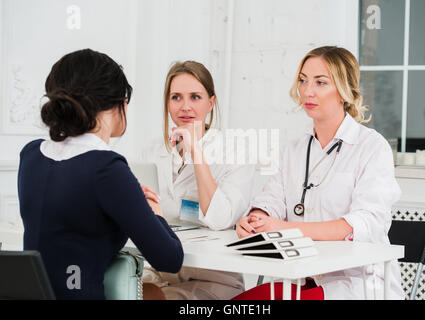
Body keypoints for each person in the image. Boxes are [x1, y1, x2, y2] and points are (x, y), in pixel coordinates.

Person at [233, 46, 404, 300]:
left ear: (344, 91)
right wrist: (257, 218)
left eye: (320, 82)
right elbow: (272, 199)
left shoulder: (371, 147)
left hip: (357, 284)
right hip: (302, 278)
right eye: (303, 81)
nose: (308, 91)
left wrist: (284, 228)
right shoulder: (294, 149)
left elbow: (362, 223)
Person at [17, 49, 183, 300]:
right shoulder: (106, 168)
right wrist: (152, 211)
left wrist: (125, 197)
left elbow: (72, 214)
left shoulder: (30, 156)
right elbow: (169, 259)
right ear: (118, 104)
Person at [138, 61, 255, 300]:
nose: (185, 107)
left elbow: (221, 218)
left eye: (195, 97)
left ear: (210, 103)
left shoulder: (236, 151)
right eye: (176, 98)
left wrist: (196, 152)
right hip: (160, 271)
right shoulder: (152, 150)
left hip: (211, 277)